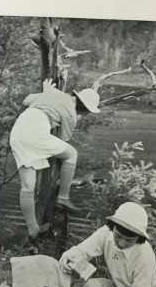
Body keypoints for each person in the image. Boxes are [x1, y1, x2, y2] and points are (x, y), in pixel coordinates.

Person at [10, 78, 100, 242]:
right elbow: (64, 137)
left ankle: (33, 229)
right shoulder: (72, 114)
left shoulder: (53, 94)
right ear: (84, 109)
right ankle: (63, 197)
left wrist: (46, 94)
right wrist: (71, 119)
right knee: (71, 154)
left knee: (27, 187)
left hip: (19, 130)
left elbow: (27, 100)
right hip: (35, 132)